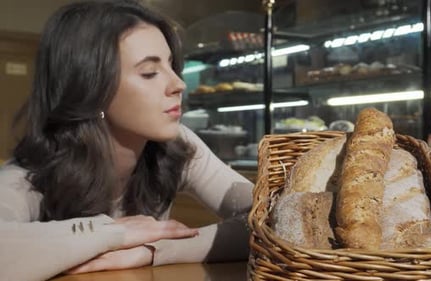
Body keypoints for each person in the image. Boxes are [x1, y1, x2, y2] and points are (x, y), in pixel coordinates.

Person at [0, 1, 253, 280]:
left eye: (171, 65)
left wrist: (155, 249)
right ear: (91, 89)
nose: (179, 84)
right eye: (149, 72)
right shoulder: (31, 174)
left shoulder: (177, 146)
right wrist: (115, 233)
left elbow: (271, 220)